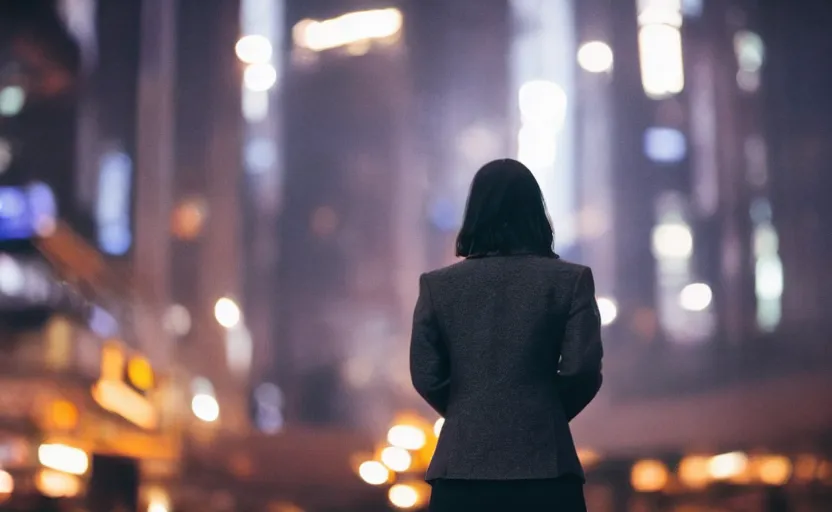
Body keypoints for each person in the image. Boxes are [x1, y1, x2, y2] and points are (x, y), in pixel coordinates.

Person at [409, 158, 604, 512]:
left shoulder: (438, 287)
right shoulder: (570, 281)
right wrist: (544, 413)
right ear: (536, 212)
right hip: (547, 471)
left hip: (461, 474)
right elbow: (582, 370)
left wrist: (469, 410)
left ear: (474, 213)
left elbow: (426, 375)